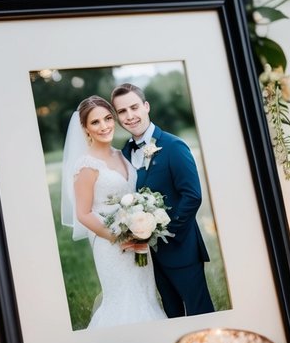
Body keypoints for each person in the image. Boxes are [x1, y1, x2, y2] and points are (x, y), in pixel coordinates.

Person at [60, 95, 166, 328]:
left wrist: (142, 228)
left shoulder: (121, 154)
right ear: (85, 128)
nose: (104, 126)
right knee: (123, 300)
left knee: (144, 296)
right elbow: (84, 213)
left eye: (108, 118)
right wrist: (121, 238)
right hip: (111, 245)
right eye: (95, 122)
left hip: (139, 238)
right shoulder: (86, 166)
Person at [110, 83, 215, 318]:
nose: (130, 116)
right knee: (171, 314)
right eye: (122, 111)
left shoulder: (173, 146)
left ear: (146, 107)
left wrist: (160, 233)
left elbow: (192, 196)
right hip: (149, 257)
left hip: (181, 249)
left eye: (134, 107)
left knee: (200, 312)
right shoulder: (125, 152)